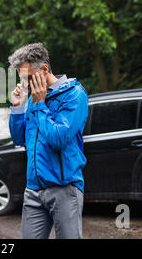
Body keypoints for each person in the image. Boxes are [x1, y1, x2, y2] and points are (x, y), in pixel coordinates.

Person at [8, 43, 89, 239]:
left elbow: (58, 139)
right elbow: (20, 139)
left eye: (28, 78)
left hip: (64, 188)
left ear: (44, 69)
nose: (25, 84)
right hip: (33, 189)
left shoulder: (74, 95)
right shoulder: (35, 100)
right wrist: (18, 108)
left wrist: (40, 104)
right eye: (23, 80)